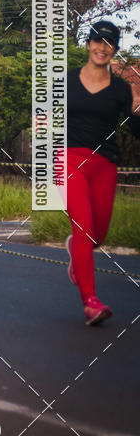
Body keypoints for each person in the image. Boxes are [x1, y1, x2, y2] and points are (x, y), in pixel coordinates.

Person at [65, 20, 140, 325]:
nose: (102, 48)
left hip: (105, 164)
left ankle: (76, 250)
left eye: (109, 44)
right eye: (97, 41)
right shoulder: (66, 80)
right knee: (83, 229)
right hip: (66, 161)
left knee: (98, 234)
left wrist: (136, 112)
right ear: (88, 45)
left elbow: (136, 132)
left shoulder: (122, 89)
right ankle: (91, 302)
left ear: (114, 50)